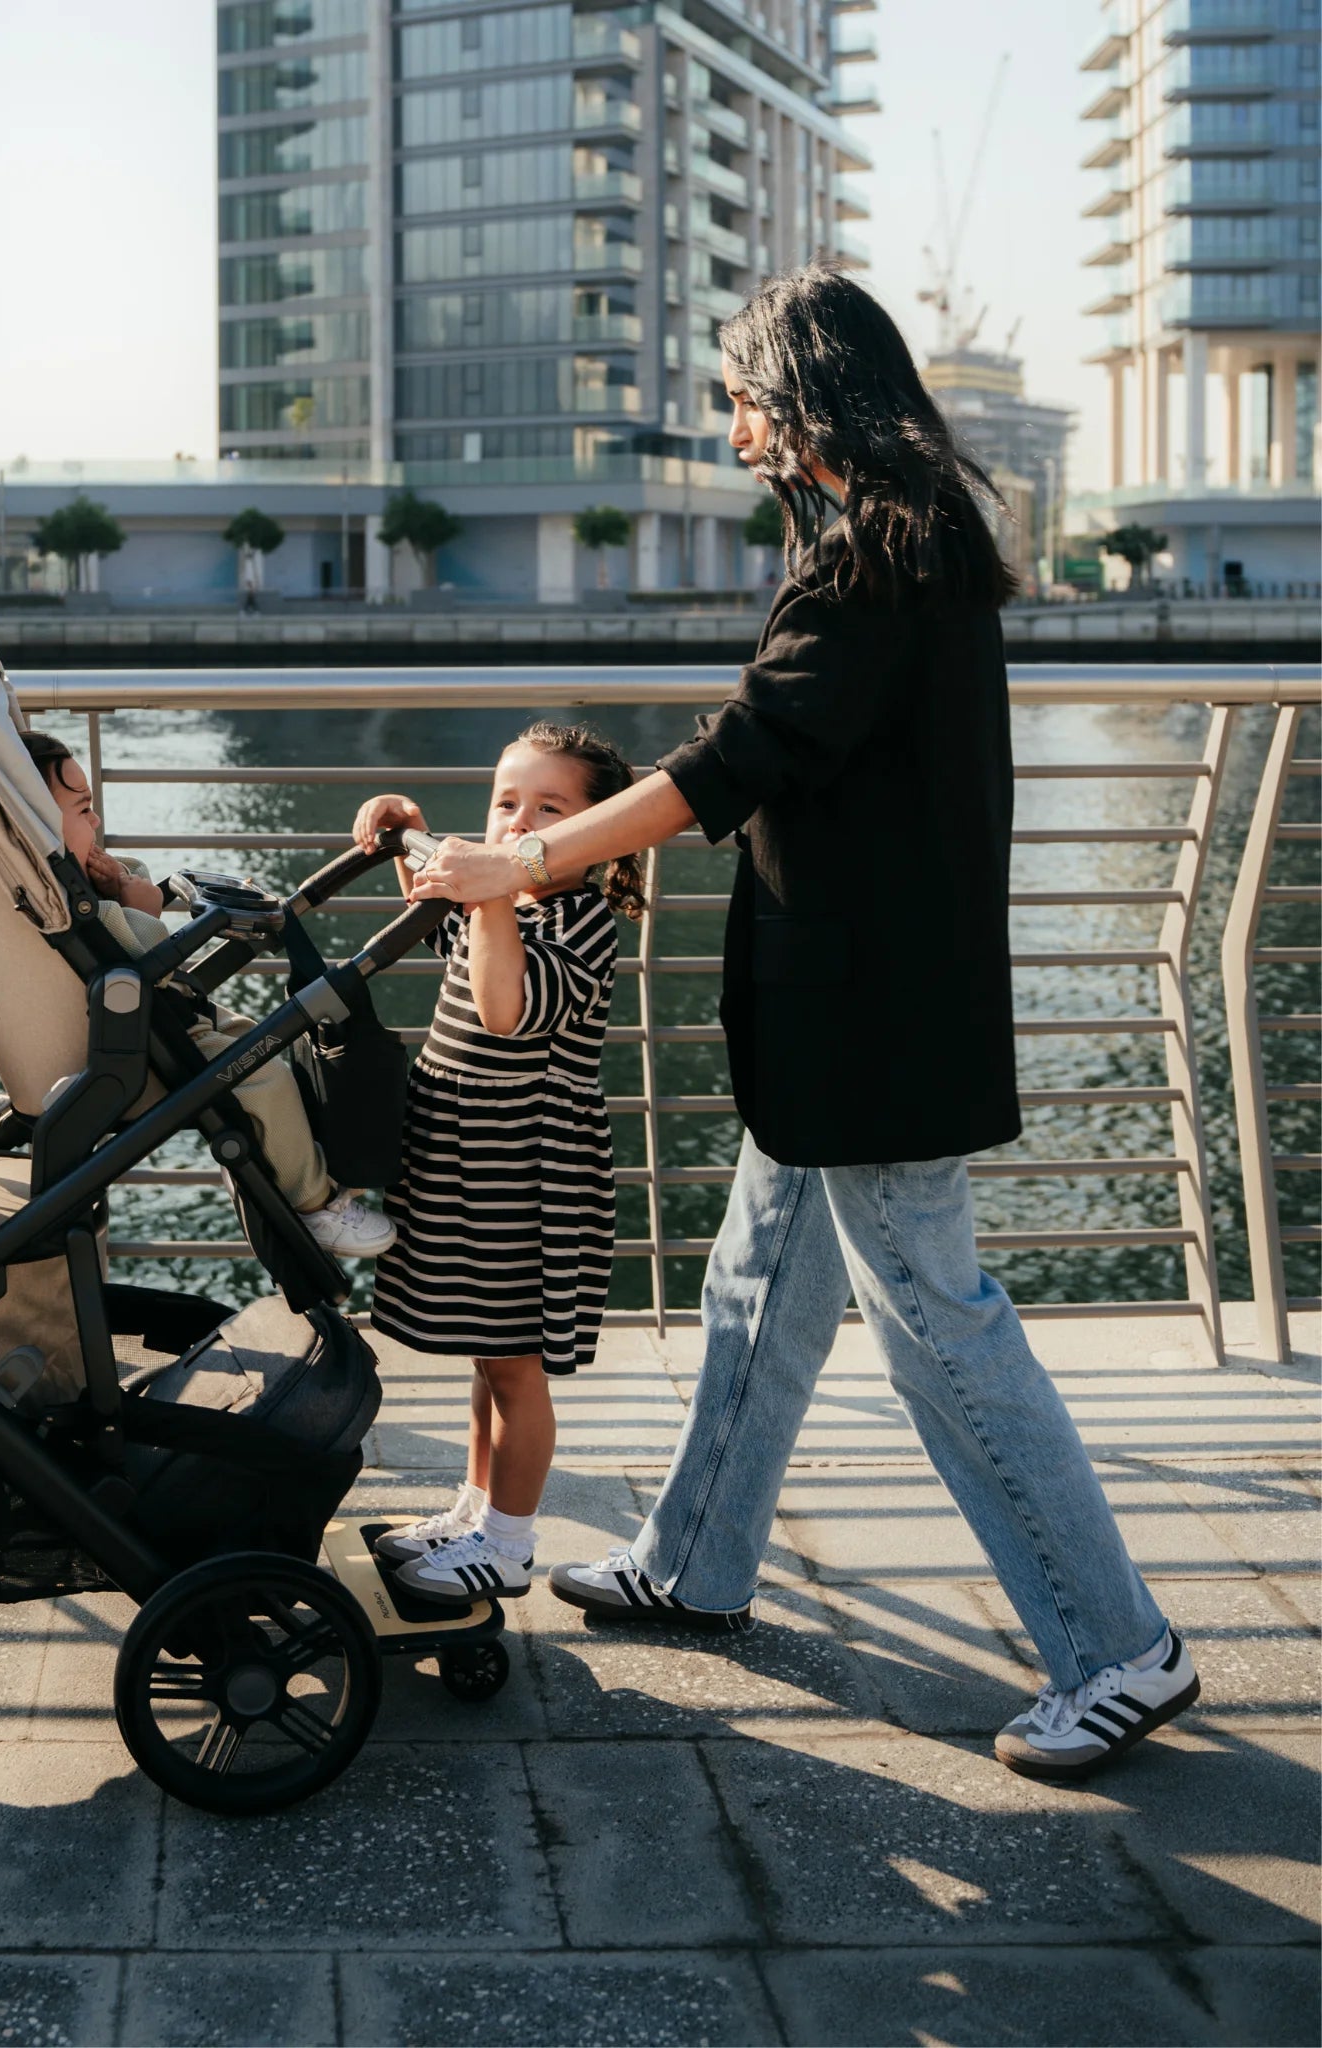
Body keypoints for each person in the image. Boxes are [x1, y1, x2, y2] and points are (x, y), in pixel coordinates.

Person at [405, 267, 1197, 1784]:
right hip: (858, 1012)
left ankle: (1116, 1647)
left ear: (800, 392)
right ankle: (695, 1559)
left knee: (943, 1339)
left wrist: (530, 858)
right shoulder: (907, 542)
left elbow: (741, 757)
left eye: (741, 394)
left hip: (874, 1030)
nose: (734, 422)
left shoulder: (879, 558)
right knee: (759, 1282)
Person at [350, 723, 640, 1602]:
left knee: (514, 1364)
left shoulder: (580, 922)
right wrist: (409, 830)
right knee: (488, 1352)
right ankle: (476, 1509)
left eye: (550, 810)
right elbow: (441, 929)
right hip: (465, 1158)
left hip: (527, 1177)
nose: (517, 823)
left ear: (597, 839)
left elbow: (506, 1009)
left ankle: (509, 1543)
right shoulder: (504, 906)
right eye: (505, 803)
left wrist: (493, 896)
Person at [20, 730, 394, 1257]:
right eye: (83, 811)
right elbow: (144, 941)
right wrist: (138, 902)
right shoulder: (85, 909)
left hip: (168, 1018)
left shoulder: (58, 891)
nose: (96, 821)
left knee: (256, 1040)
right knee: (263, 1076)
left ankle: (314, 1176)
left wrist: (124, 880)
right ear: (37, 821)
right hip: (147, 1041)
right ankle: (315, 1206)